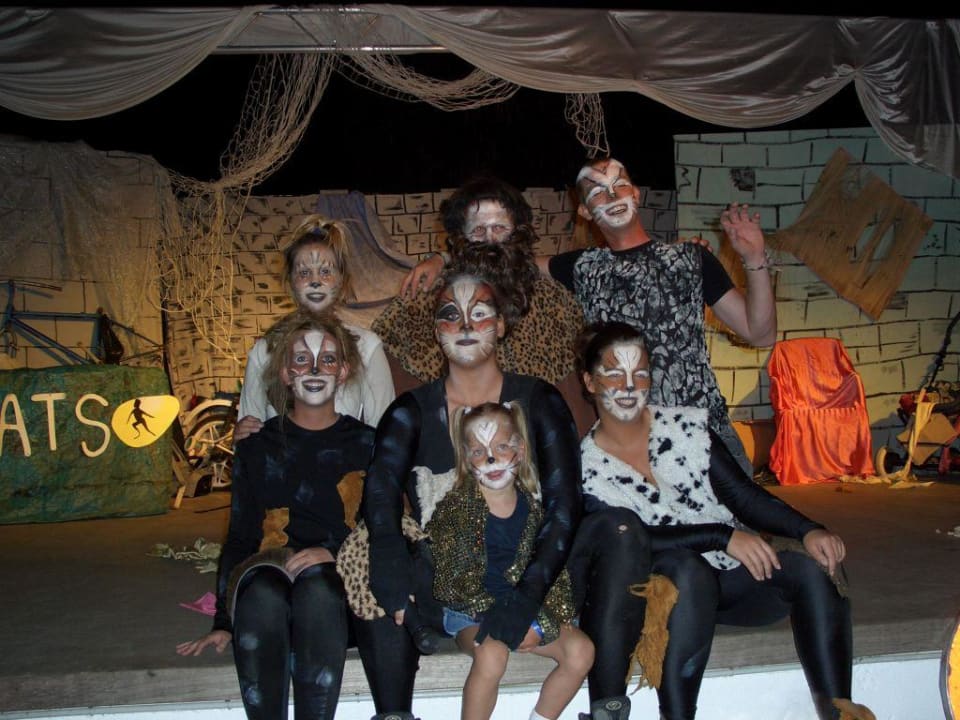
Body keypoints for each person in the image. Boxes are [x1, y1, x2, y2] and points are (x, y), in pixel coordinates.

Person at [576, 321, 873, 720]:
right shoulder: (586, 467)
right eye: (615, 373)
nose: (630, 386)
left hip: (727, 580)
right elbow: (636, 542)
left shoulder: (685, 427)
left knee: (814, 566)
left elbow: (742, 495)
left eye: (641, 373)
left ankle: (841, 712)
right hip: (659, 598)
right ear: (589, 381)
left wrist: (807, 529)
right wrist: (721, 536)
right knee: (686, 568)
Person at [404, 158, 777, 475]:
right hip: (628, 443)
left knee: (741, 536)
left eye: (619, 185)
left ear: (636, 194)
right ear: (584, 210)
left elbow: (759, 333)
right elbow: (502, 257)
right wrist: (443, 259)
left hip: (703, 434)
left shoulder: (690, 259)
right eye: (598, 191)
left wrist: (754, 259)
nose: (611, 196)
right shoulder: (584, 267)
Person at [360, 268, 584, 720]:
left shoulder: (540, 402)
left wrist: (528, 596)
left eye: (479, 313)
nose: (464, 325)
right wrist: (389, 561)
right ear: (436, 329)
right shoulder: (410, 411)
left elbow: (566, 504)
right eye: (450, 314)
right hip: (452, 582)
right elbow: (379, 492)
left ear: (500, 324)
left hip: (536, 575)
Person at [176, 311, 378, 720]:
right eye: (302, 359)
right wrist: (223, 622)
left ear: (344, 371)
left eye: (327, 359)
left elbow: (382, 527)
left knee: (317, 589)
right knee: (262, 591)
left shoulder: (368, 443)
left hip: (337, 590)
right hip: (274, 578)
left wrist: (335, 552)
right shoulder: (257, 446)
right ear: (285, 373)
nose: (315, 369)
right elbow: (240, 536)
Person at [427, 401, 594, 720]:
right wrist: (506, 622)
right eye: (479, 451)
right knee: (492, 655)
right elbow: (451, 584)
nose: (491, 459)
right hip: (472, 615)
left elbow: (555, 579)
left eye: (502, 447)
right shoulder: (454, 511)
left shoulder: (538, 512)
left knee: (582, 651)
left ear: (520, 448)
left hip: (526, 613)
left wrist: (536, 622)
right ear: (466, 458)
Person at [373, 175, 584, 389]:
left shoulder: (552, 299)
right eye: (478, 230)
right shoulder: (430, 297)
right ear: (461, 237)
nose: (490, 239)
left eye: (499, 228)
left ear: (517, 230)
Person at [236, 214, 394, 440]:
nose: (315, 281)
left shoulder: (366, 347)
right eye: (304, 273)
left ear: (342, 280)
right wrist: (242, 437)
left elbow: (386, 435)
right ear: (290, 281)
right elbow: (249, 435)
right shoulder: (265, 351)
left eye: (326, 272)